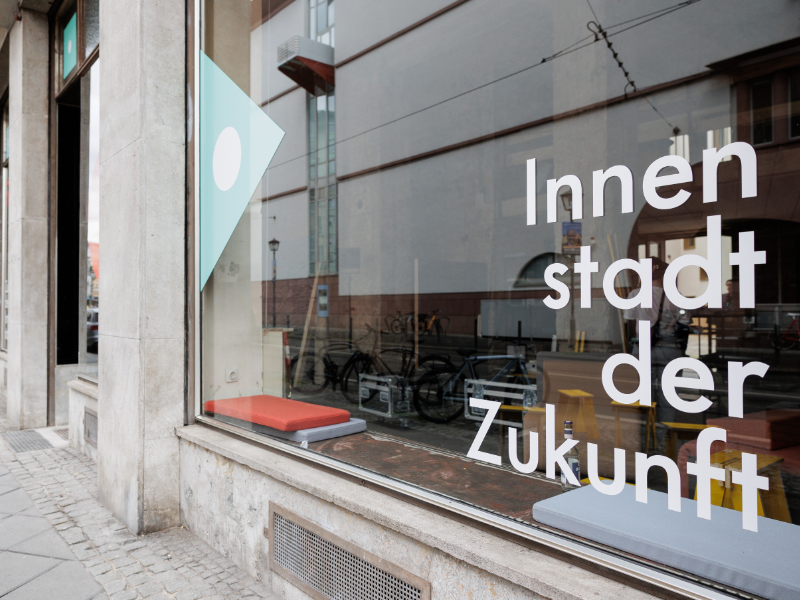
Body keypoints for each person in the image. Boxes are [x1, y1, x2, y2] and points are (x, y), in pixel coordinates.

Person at [623, 256, 691, 425]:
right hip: (669, 347)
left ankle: (646, 433)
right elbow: (684, 325)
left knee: (644, 395)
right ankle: (665, 434)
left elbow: (629, 325)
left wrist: (631, 349)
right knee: (669, 396)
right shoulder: (676, 296)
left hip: (642, 347)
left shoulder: (634, 295)